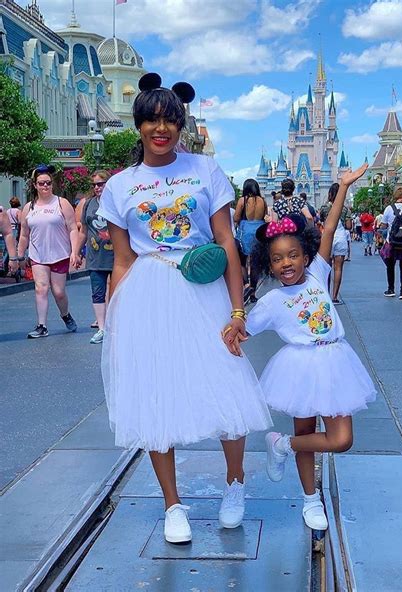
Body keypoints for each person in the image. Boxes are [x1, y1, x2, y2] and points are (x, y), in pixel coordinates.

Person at [96, 72, 272, 545]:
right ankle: (172, 504)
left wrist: (238, 312)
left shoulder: (204, 171)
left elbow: (225, 243)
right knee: (154, 395)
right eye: (151, 120)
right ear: (138, 126)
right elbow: (122, 259)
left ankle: (235, 484)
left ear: (181, 125)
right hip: (146, 294)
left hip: (200, 288)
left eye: (170, 120)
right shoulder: (119, 185)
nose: (161, 128)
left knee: (225, 384)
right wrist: (114, 320)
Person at [243, 164, 376, 531]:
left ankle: (281, 445)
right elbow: (241, 330)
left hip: (335, 360)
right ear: (268, 264)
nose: (286, 263)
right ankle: (310, 500)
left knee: (341, 439)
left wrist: (344, 187)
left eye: (292, 255)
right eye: (277, 258)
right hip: (299, 366)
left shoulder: (318, 272)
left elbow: (330, 228)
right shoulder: (270, 301)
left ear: (305, 256)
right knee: (307, 433)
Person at [17, 165, 79, 338]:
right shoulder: (29, 208)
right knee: (41, 289)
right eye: (41, 183)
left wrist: (74, 251)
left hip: (59, 254)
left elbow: (73, 228)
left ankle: (65, 315)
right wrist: (19, 255)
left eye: (48, 183)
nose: (45, 186)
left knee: (58, 292)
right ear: (35, 185)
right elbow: (23, 234)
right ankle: (41, 326)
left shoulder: (61, 203)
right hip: (38, 255)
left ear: (52, 184)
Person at [74, 171, 114, 344]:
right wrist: (75, 251)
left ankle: (116, 327)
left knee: (117, 293)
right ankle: (102, 329)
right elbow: (83, 231)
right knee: (97, 293)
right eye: (94, 185)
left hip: (116, 256)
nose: (97, 187)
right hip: (95, 256)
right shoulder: (89, 204)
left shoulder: (116, 202)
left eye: (101, 184)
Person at [234, 178, 267, 304]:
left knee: (242, 261)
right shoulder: (262, 201)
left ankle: (246, 285)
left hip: (245, 231)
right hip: (258, 231)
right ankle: (253, 293)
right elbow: (265, 216)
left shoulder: (243, 200)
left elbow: (236, 217)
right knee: (255, 264)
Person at [319, 183, 352, 304]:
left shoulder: (324, 208)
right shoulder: (345, 209)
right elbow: (349, 226)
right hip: (340, 236)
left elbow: (321, 220)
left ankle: (325, 294)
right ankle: (334, 296)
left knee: (326, 267)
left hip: (327, 237)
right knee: (338, 268)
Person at [0, 206, 19, 275]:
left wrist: (13, 258)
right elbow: (20, 221)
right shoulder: (17, 211)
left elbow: (7, 233)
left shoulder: (3, 211)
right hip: (14, 229)